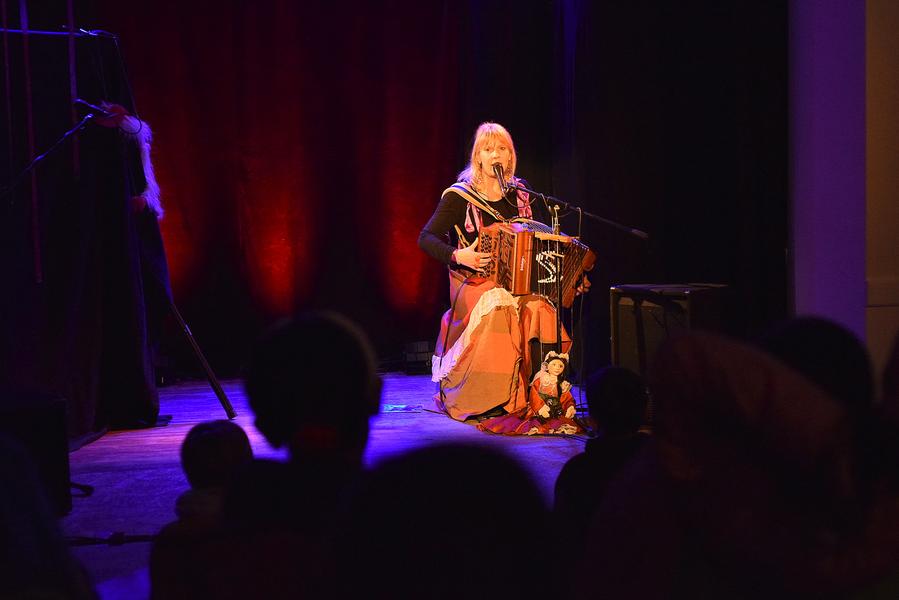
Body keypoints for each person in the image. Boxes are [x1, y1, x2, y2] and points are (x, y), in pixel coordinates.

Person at [418, 122, 572, 423]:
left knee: (541, 308)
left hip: (519, 282)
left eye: (502, 149)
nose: (496, 155)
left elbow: (542, 239)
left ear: (511, 156)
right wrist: (458, 255)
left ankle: (543, 394)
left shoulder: (522, 194)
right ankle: (492, 398)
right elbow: (426, 238)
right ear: (477, 156)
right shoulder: (460, 196)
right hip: (472, 282)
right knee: (499, 304)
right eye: (488, 149)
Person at [478, 351, 583, 435]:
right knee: (529, 422)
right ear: (547, 366)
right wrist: (540, 407)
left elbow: (566, 397)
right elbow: (534, 395)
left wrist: (569, 406)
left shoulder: (562, 384)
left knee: (560, 423)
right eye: (554, 364)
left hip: (555, 411)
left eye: (560, 366)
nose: (557, 368)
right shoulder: (541, 380)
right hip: (539, 409)